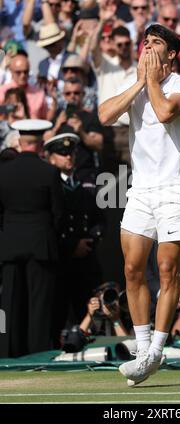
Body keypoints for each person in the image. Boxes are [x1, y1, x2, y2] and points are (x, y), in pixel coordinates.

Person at [99, 24, 180, 386]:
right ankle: (143, 351)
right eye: (146, 43)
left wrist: (151, 80)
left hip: (176, 187)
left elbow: (164, 113)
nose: (147, 47)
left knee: (168, 268)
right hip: (140, 189)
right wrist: (140, 81)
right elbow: (104, 115)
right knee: (131, 269)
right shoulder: (138, 84)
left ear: (171, 54)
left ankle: (157, 348)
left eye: (155, 43)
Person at [0, 119, 64, 358]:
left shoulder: (3, 172)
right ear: (40, 144)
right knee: (39, 304)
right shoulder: (49, 172)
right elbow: (58, 213)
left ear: (19, 142)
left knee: (11, 302)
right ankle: (38, 352)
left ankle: (9, 353)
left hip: (10, 244)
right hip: (41, 245)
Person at [43, 132, 106, 343]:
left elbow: (98, 220)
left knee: (88, 308)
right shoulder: (51, 188)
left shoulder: (83, 187)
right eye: (62, 154)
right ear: (50, 157)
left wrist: (90, 241)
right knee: (58, 313)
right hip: (62, 261)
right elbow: (52, 224)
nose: (68, 157)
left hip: (85, 263)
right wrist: (71, 246)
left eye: (71, 153)